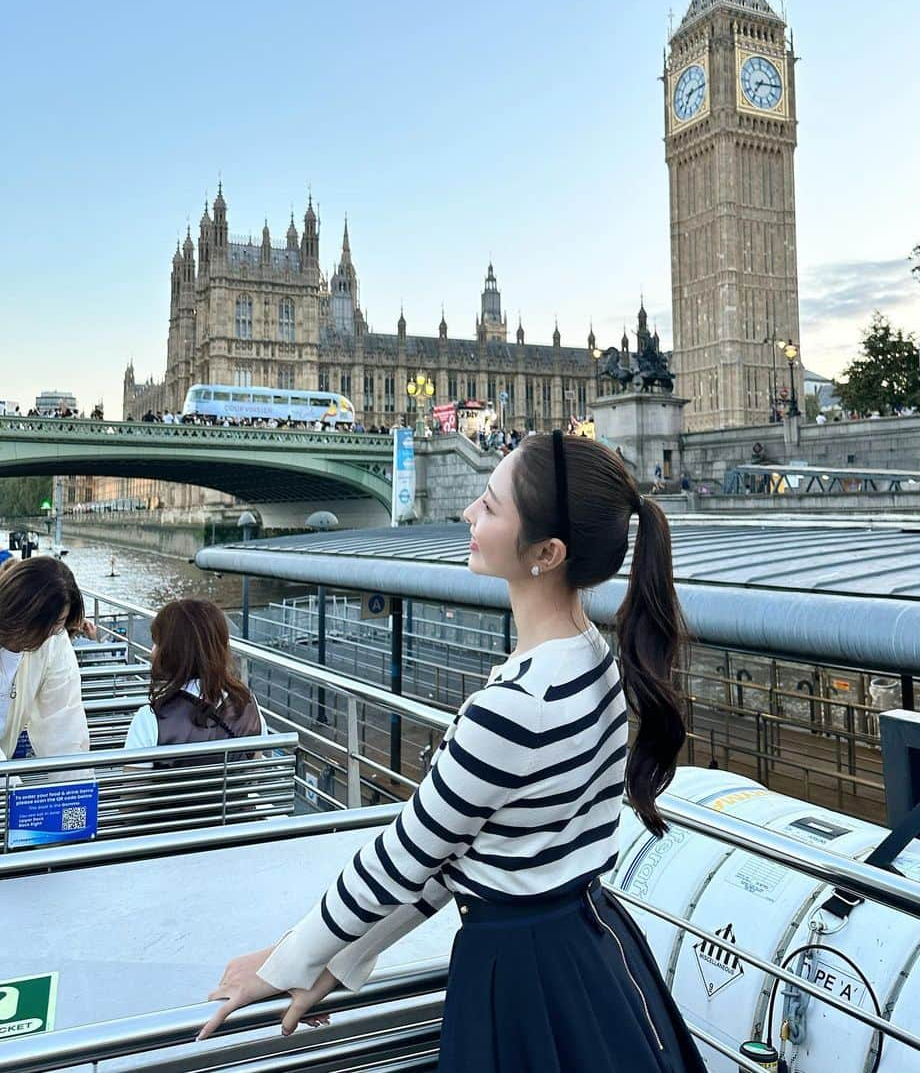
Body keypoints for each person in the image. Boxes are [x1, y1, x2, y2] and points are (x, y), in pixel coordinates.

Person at [198, 431, 707, 1071]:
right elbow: (462, 854)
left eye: (490, 506)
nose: (469, 513)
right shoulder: (594, 662)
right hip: (594, 954)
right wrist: (341, 959)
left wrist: (278, 966)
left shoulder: (515, 705)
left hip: (520, 980)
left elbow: (400, 859)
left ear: (546, 552)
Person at [124, 599, 264, 751]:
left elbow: (132, 774)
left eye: (157, 643)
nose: (152, 651)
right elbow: (256, 769)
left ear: (173, 652)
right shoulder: (249, 708)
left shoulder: (150, 720)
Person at [0, 556, 90, 761]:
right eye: (47, 624)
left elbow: (65, 725)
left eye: (60, 623)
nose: (53, 632)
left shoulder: (55, 641)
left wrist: (76, 790)